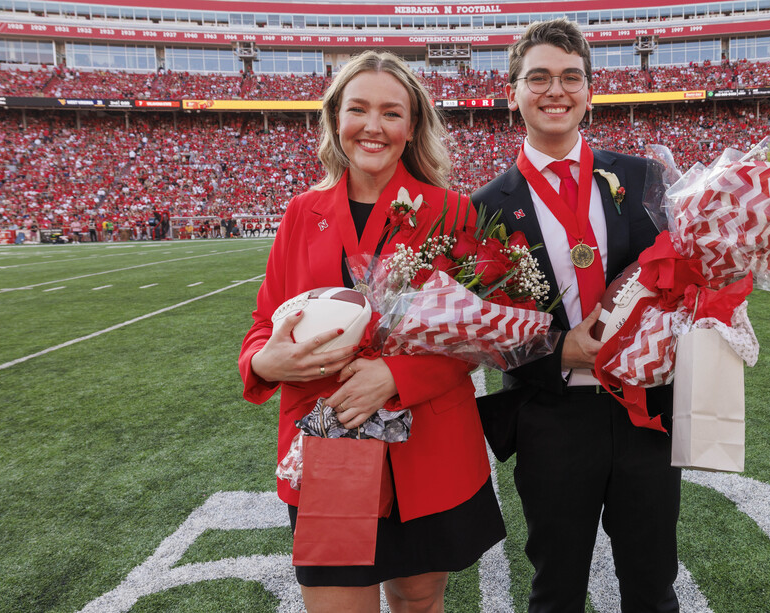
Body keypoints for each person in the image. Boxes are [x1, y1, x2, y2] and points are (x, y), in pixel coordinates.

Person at [239, 50, 504, 613]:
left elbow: (479, 335)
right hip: (329, 436)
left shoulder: (453, 212)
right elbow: (264, 324)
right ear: (337, 118)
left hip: (427, 447)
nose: (373, 126)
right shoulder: (300, 213)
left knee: (418, 600)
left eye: (391, 112)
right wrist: (263, 363)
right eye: (358, 109)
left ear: (411, 128)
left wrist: (395, 374)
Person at [472, 19, 681, 613]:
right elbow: (478, 329)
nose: (555, 90)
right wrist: (558, 349)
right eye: (537, 77)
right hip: (550, 419)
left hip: (646, 414)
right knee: (557, 589)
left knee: (651, 586)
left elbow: (685, 278)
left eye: (570, 77)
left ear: (590, 90)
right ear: (512, 91)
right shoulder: (483, 209)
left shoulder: (645, 177)